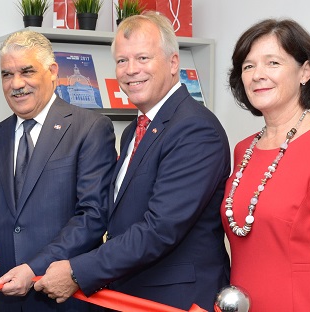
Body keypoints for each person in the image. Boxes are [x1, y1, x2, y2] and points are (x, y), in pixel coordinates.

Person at [34, 12, 231, 311]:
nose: (130, 70)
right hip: (134, 293)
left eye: (142, 58)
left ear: (174, 63)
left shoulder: (194, 128)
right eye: (122, 61)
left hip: (176, 299)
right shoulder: (133, 131)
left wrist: (77, 271)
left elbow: (160, 228)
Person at [0, 30, 116, 312]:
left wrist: (34, 269)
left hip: (66, 299)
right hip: (7, 301)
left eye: (26, 71)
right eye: (7, 74)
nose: (16, 84)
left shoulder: (90, 129)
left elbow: (91, 216)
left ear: (52, 71)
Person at [222, 18, 310, 311]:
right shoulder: (243, 150)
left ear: (305, 72)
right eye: (248, 66)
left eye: (272, 63)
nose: (258, 75)